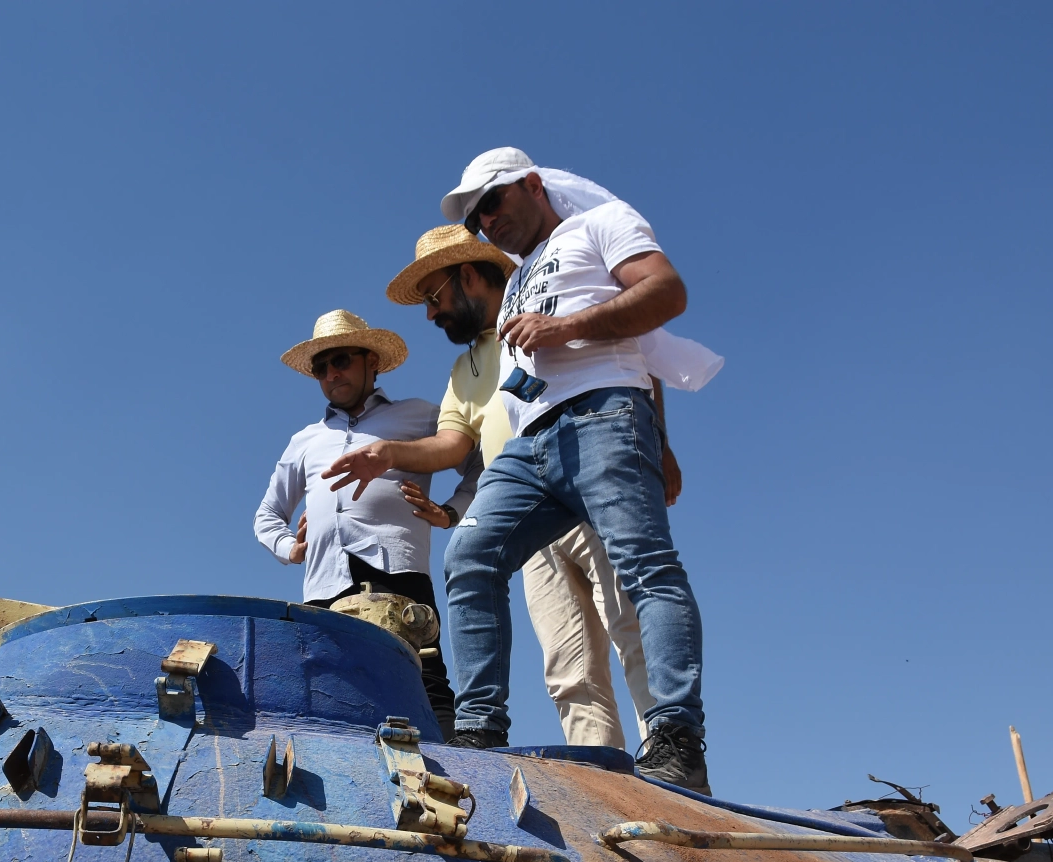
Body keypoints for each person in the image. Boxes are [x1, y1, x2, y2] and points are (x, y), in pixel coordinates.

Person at [443, 147, 712, 791]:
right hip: (532, 439)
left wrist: (565, 330)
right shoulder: (518, 273)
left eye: (493, 201)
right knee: (468, 557)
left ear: (532, 184)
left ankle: (677, 736)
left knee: (645, 566)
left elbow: (666, 293)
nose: (486, 221)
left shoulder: (601, 225)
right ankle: (479, 727)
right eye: (476, 216)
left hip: (604, 415)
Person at [383, 223, 658, 753]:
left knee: (635, 634)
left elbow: (633, 357)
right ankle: (605, 792)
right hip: (524, 526)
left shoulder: (548, 306)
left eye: (434, 296)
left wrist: (657, 446)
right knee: (567, 671)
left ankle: (673, 780)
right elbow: (452, 447)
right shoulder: (466, 369)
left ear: (468, 276)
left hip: (592, 495)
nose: (430, 314)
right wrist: (387, 455)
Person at [253, 310, 466, 739]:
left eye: (342, 360)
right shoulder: (305, 441)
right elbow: (266, 515)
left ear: (371, 361)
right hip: (324, 583)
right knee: (330, 691)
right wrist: (291, 549)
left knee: (424, 682)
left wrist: (451, 511)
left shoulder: (420, 416)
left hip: (398, 571)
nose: (332, 373)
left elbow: (477, 462)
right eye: (321, 367)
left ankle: (455, 771)